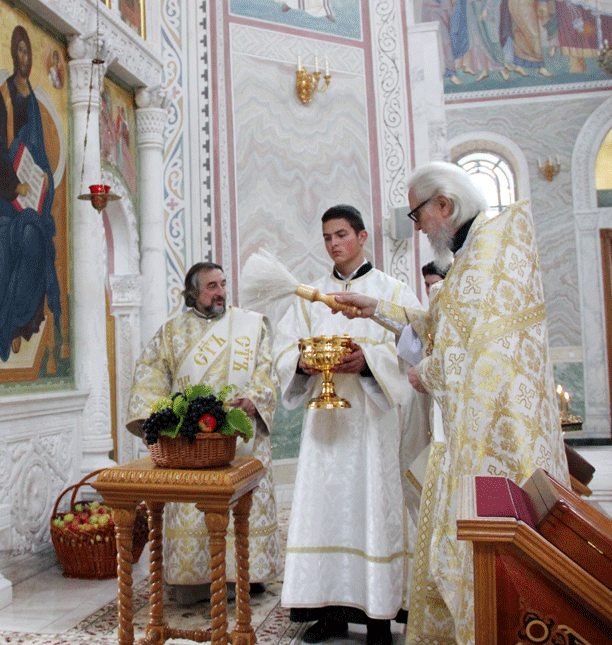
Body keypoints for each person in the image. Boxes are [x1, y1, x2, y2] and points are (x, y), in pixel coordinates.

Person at [332, 164, 568, 645]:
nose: (417, 226)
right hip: (473, 432)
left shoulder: (487, 254)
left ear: (444, 205)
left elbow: (484, 355)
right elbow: (441, 324)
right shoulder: (471, 255)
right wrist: (376, 309)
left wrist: (427, 373)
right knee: (447, 551)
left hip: (497, 441)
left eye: (417, 214)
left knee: (472, 556)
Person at [275, 205, 423, 645]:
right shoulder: (312, 295)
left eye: (341, 234)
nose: (333, 244)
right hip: (325, 427)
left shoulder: (392, 291)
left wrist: (369, 361)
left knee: (372, 511)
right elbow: (282, 349)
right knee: (324, 512)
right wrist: (300, 363)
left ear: (361, 237)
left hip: (373, 426)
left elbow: (417, 348)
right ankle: (329, 613)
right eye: (327, 237)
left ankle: (379, 618)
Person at [126, 262, 281, 603]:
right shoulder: (171, 333)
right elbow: (149, 378)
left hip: (240, 438)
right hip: (190, 443)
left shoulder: (250, 326)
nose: (221, 292)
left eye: (223, 284)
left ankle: (247, 574)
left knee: (244, 506)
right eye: (212, 286)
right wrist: (156, 422)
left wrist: (254, 399)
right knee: (192, 513)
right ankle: (192, 581)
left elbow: (266, 369)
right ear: (193, 292)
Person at [0, 26, 65, 372]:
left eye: (28, 52)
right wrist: (12, 185)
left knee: (33, 238)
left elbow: (40, 154)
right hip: (9, 196)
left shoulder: (32, 99)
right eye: (19, 51)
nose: (24, 57)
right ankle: (2, 332)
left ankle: (19, 325)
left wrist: (43, 180)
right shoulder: (4, 95)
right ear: (13, 55)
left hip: (31, 201)